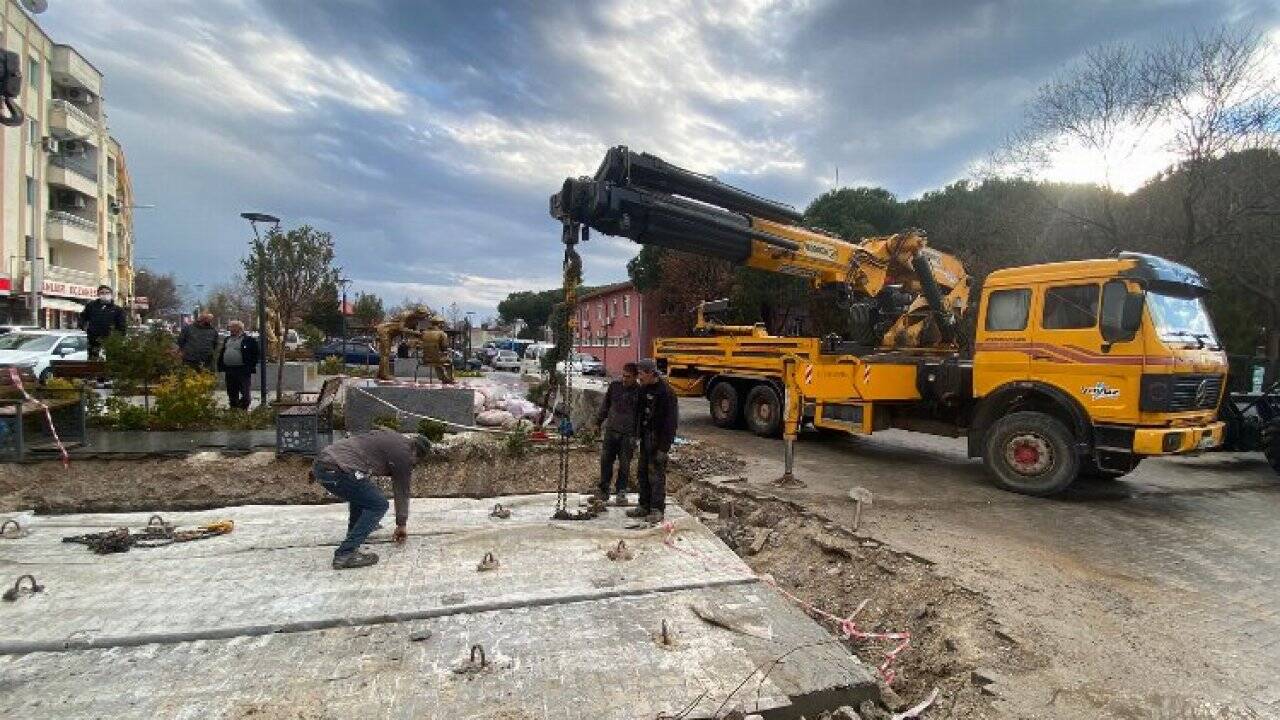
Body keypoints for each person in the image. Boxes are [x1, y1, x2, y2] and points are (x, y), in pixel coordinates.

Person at [311, 428, 434, 570]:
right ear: (417, 454)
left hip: (324, 465)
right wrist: (401, 525)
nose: (413, 465)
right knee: (379, 505)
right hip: (338, 470)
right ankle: (345, 554)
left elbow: (357, 453)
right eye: (416, 462)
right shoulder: (405, 456)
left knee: (361, 495)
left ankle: (355, 534)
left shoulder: (391, 438)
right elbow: (402, 491)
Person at [627, 358, 679, 524]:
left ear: (651, 373)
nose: (639, 377)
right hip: (645, 438)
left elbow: (671, 423)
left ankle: (657, 509)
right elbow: (638, 414)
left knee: (656, 476)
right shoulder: (643, 390)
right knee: (642, 473)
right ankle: (644, 505)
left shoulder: (666, 393)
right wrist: (635, 435)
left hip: (658, 441)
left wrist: (664, 448)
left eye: (641, 374)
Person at [595, 362, 639, 506]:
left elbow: (642, 416)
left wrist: (638, 435)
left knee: (625, 465)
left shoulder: (639, 392)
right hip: (611, 431)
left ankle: (621, 491)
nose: (625, 379)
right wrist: (598, 422)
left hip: (628, 434)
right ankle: (603, 490)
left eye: (628, 377)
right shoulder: (615, 386)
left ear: (635, 377)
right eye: (623, 375)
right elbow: (605, 405)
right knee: (606, 461)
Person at [216, 320, 259, 410]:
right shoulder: (227, 339)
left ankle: (243, 408)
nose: (230, 329)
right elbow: (223, 352)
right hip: (229, 370)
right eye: (230, 327)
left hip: (242, 370)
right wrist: (220, 365)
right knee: (231, 392)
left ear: (238, 328)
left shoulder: (248, 340)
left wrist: (251, 365)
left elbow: (256, 354)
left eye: (231, 327)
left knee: (245, 392)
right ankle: (234, 409)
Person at [78, 285, 127, 359]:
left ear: (111, 294)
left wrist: (119, 337)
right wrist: (84, 327)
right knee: (93, 360)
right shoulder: (91, 306)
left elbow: (122, 325)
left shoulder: (118, 310)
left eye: (107, 292)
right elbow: (83, 317)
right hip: (94, 338)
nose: (104, 295)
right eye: (102, 293)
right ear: (98, 294)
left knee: (111, 359)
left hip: (111, 340)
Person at [420, 316, 454, 384]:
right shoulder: (442, 334)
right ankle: (450, 379)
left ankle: (443, 378)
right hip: (437, 359)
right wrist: (448, 350)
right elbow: (444, 347)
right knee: (449, 362)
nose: (443, 325)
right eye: (442, 324)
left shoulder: (424, 333)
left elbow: (421, 345)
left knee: (437, 362)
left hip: (425, 359)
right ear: (439, 324)